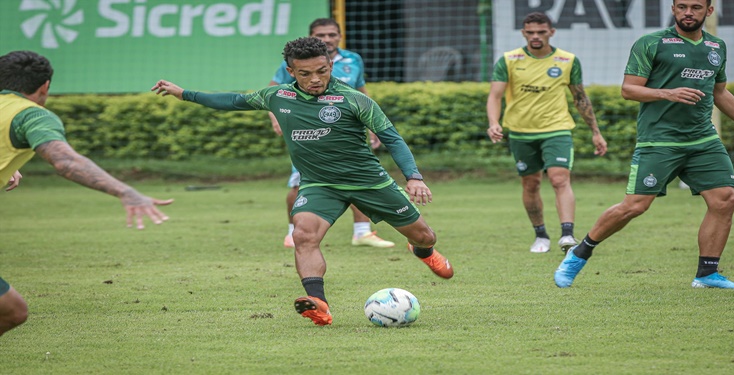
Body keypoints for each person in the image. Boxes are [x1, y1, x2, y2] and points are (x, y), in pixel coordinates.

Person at [152, 37, 454, 326]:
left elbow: (392, 138)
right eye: (305, 73)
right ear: (291, 71)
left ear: (331, 67)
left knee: (425, 236)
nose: (314, 79)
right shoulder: (277, 96)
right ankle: (319, 305)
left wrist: (414, 177)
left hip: (368, 182)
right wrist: (184, 93)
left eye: (322, 71)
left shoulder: (355, 100)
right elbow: (232, 100)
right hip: (319, 184)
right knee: (304, 236)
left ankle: (422, 252)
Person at [554, 0, 734, 289]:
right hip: (659, 140)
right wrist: (667, 93)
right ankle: (579, 252)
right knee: (635, 206)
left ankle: (707, 274)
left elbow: (719, 91)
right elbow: (628, 89)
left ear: (709, 11)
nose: (687, 12)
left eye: (696, 7)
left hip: (703, 139)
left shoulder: (716, 47)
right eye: (681, 6)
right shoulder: (651, 43)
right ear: (673, 9)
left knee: (725, 200)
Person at [0, 50, 173, 336]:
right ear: (44, 86)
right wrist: (126, 191)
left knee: (10, 308)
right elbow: (65, 160)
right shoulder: (30, 115)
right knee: (12, 311)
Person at [486, 12, 608, 254]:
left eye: (541, 32)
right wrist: (493, 122)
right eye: (530, 32)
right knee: (530, 184)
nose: (535, 37)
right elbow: (495, 96)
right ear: (523, 33)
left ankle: (567, 235)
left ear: (551, 32)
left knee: (559, 179)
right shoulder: (509, 60)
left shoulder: (567, 60)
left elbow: (580, 97)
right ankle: (540, 235)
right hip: (521, 133)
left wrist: (596, 131)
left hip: (557, 130)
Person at [268, 18, 393, 249]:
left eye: (332, 34)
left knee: (357, 178)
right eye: (321, 35)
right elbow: (273, 91)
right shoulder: (300, 62)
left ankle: (362, 232)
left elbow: (362, 93)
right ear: (312, 37)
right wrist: (275, 117)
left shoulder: (353, 60)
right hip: (309, 133)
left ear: (339, 36)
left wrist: (371, 126)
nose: (327, 39)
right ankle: (292, 233)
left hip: (348, 132)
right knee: (299, 184)